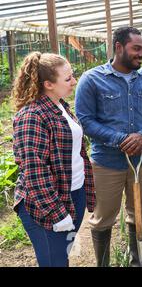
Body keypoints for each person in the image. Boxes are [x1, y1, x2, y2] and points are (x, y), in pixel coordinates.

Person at [75, 27, 142, 267]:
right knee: (103, 217)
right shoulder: (92, 79)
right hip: (106, 162)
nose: (141, 54)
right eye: (136, 49)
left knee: (139, 211)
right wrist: (120, 139)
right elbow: (85, 119)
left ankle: (138, 261)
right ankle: (102, 264)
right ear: (118, 47)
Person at [11, 52, 95, 267]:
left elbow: (76, 153)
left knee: (62, 257)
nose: (74, 81)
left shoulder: (60, 106)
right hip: (45, 204)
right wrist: (56, 213)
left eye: (72, 75)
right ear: (48, 84)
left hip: (72, 194)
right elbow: (34, 169)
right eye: (68, 79)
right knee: (53, 262)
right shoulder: (32, 116)